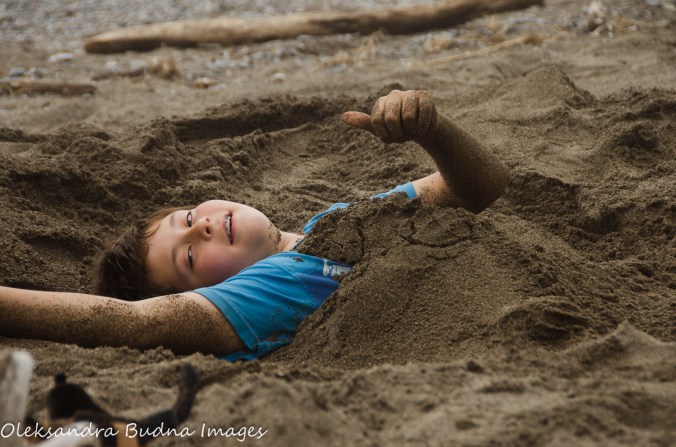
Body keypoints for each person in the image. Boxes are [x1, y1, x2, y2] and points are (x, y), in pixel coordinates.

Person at [0, 90, 508, 360]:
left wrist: (433, 129)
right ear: (207, 293)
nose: (199, 228)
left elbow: (478, 188)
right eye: (190, 257)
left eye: (188, 217)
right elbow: (137, 322)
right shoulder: (256, 293)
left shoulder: (333, 224)